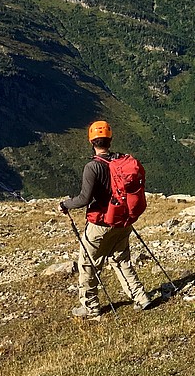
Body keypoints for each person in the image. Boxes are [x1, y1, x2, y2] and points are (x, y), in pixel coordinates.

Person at [58, 120, 152, 318]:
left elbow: (84, 198)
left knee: (88, 263)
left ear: (91, 141)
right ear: (110, 139)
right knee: (121, 259)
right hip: (124, 220)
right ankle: (141, 297)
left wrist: (65, 204)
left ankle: (90, 307)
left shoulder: (93, 167)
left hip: (100, 223)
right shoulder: (121, 161)